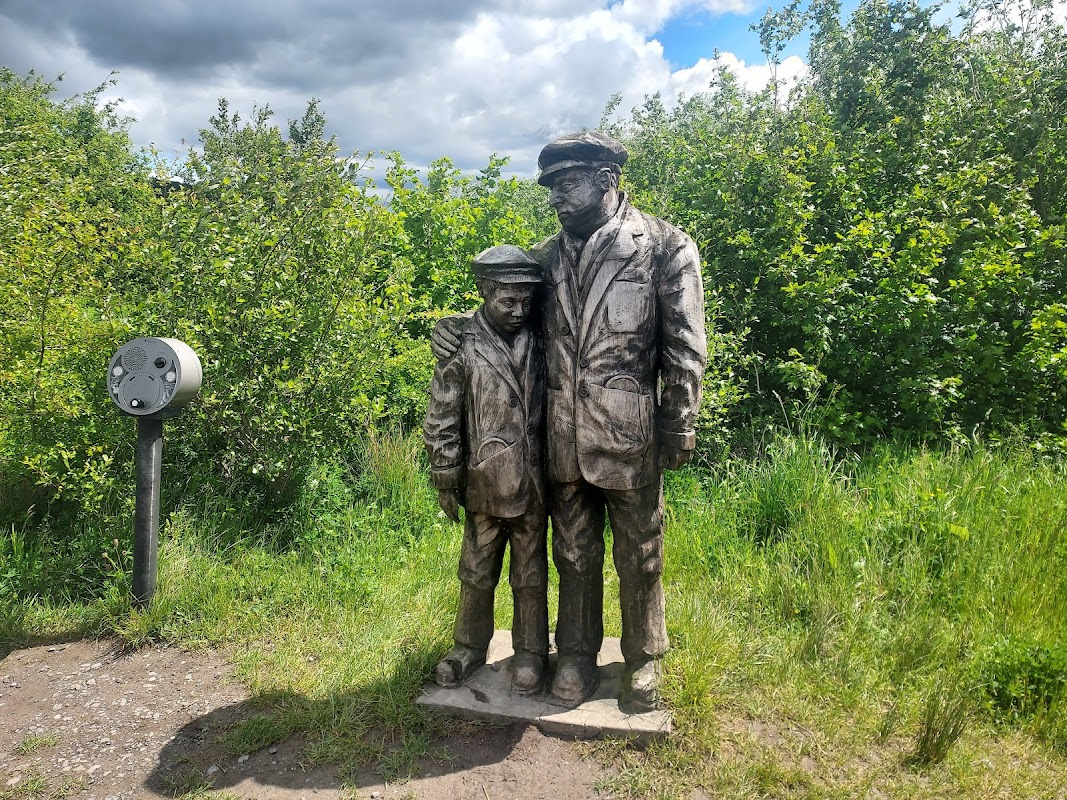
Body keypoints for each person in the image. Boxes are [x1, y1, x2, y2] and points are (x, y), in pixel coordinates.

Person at [434, 132, 706, 713]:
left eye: (568, 183)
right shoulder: (545, 259)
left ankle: (644, 657)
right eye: (551, 186)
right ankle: (577, 655)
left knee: (640, 550)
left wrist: (679, 420)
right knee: (574, 552)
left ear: (607, 179)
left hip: (629, 434)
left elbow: (684, 345)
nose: (556, 196)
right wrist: (457, 327)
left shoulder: (665, 247)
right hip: (560, 436)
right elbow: (505, 315)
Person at [423, 244, 549, 696]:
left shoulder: (544, 338)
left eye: (526, 302)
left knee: (530, 572)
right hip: (483, 482)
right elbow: (442, 413)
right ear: (484, 292)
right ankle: (468, 646)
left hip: (534, 482)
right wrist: (445, 473)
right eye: (506, 301)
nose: (518, 311)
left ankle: (531, 651)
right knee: (476, 570)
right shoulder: (462, 346)